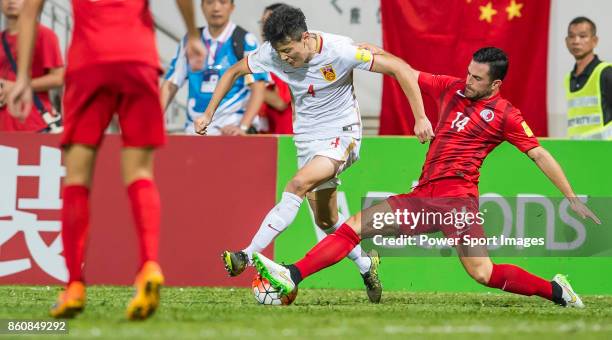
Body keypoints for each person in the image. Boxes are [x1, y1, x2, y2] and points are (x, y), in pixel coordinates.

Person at [252, 47, 601, 308]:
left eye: (478, 79)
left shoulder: (507, 115)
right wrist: (363, 52)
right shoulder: (451, 88)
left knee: (483, 273)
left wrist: (570, 196)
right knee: (353, 227)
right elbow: (403, 70)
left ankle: (557, 291)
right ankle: (291, 274)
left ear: (496, 83)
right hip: (421, 198)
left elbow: (538, 153)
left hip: (457, 203)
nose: (469, 81)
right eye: (468, 73)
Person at [195, 5, 434, 303]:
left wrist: (421, 117)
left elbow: (399, 69)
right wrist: (208, 114)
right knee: (327, 220)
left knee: (296, 184)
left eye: (287, 50)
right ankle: (366, 264)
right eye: (279, 51)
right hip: (306, 141)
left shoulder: (341, 50)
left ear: (305, 37)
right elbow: (233, 71)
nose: (284, 58)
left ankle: (247, 253)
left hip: (342, 135)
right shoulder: (271, 53)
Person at [8, 0, 205, 320]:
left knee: (76, 179)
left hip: (90, 62)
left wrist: (22, 80)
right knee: (140, 172)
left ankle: (74, 285)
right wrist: (192, 36)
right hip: (137, 59)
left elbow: (30, 11)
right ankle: (148, 266)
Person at [161, 0, 267, 136]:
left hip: (230, 132)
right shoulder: (190, 40)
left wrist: (243, 127)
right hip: (194, 132)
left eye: (222, 2)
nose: (216, 8)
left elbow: (258, 88)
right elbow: (170, 84)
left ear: (232, 7)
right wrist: (152, 122)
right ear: (202, 7)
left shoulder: (245, 40)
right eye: (210, 2)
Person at [0, 0, 63, 132]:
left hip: (34, 125)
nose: (11, 1)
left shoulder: (44, 35)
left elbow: (59, 78)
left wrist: (15, 87)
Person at [565, 16, 612, 140]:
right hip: (577, 151)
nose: (576, 41)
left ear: (594, 41)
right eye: (572, 36)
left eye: (583, 36)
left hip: (604, 151)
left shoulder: (606, 72)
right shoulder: (569, 78)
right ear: (566, 41)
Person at [258, 3, 292, 134]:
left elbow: (280, 102)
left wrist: (248, 84)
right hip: (264, 137)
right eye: (262, 24)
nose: (263, 29)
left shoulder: (288, 59)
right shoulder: (262, 58)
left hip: (286, 139)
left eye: (268, 23)